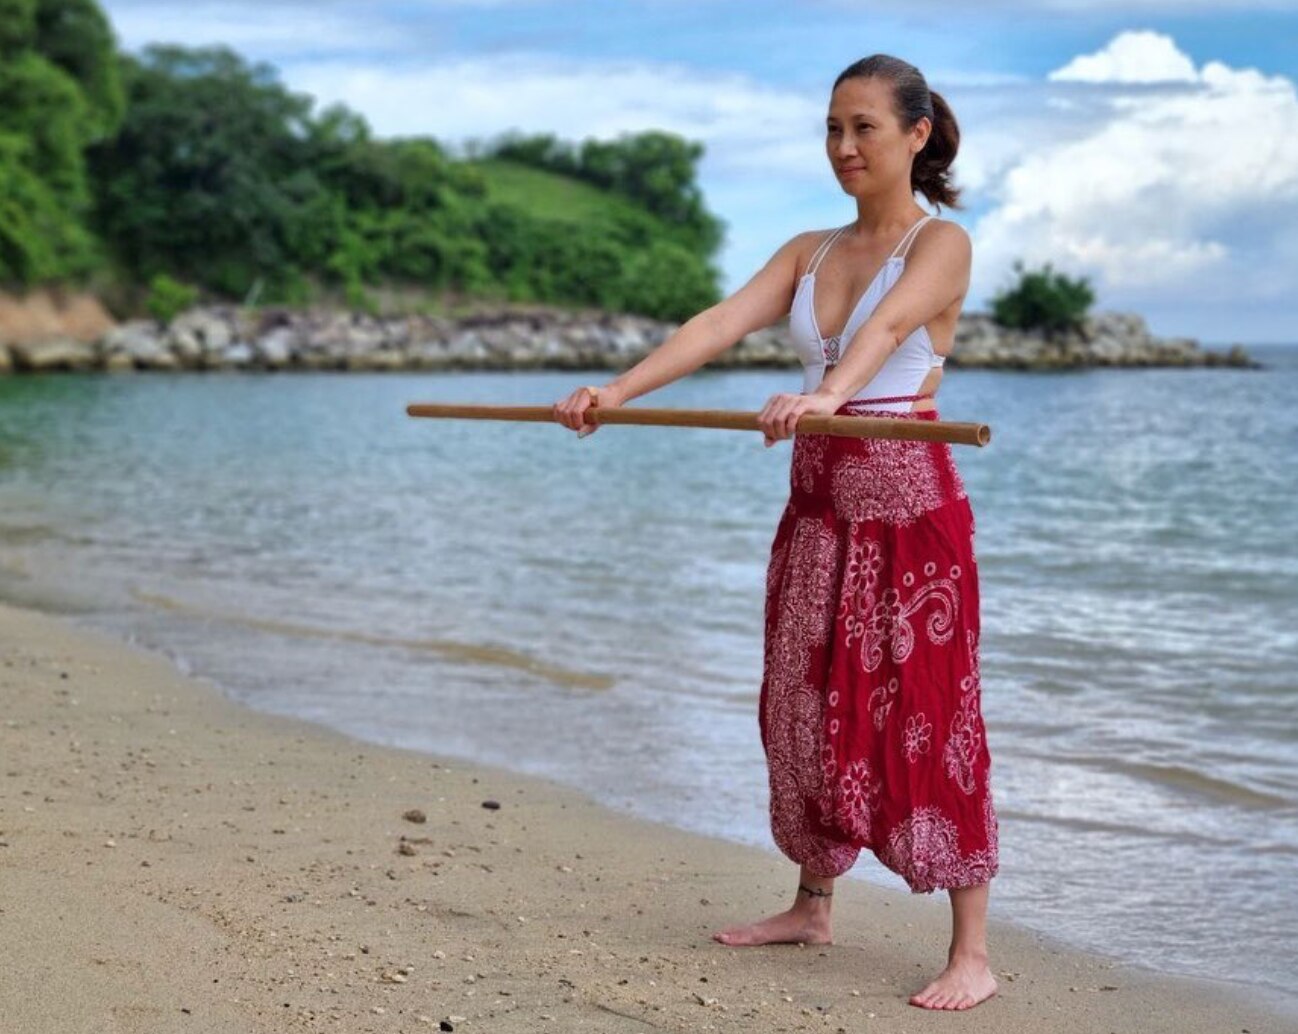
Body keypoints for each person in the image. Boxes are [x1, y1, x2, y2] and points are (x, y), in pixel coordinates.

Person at [552, 53, 998, 1012]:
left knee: (928, 713)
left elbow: (888, 333)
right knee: (801, 704)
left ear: (916, 134)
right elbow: (717, 323)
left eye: (864, 127)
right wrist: (616, 392)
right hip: (817, 508)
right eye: (833, 128)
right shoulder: (809, 251)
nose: (843, 146)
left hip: (908, 516)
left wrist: (827, 395)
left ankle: (972, 953)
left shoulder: (942, 244)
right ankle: (812, 905)